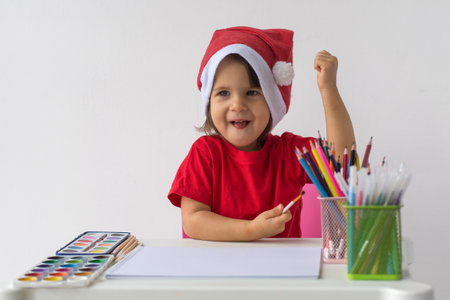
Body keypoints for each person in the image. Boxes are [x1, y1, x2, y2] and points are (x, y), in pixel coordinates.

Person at [168, 26, 354, 241]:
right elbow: (193, 222)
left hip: (280, 271)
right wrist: (251, 231)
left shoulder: (289, 152)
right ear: (210, 102)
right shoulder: (205, 154)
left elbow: (342, 161)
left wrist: (328, 89)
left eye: (252, 92)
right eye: (224, 93)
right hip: (216, 272)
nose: (237, 104)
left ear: (273, 102)